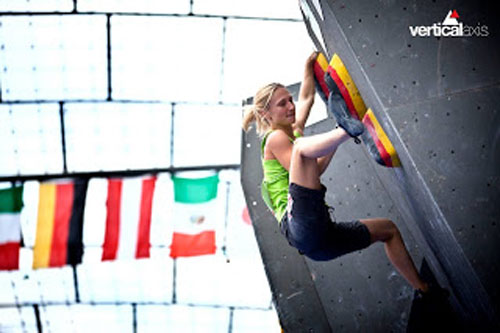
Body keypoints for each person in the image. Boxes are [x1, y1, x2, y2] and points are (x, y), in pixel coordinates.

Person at [242, 51, 432, 294]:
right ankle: (347, 128)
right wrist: (342, 133)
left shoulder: (294, 131)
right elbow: (309, 170)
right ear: (266, 114)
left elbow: (308, 97)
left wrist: (307, 67)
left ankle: (424, 290)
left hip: (319, 241)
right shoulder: (275, 139)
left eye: (289, 100)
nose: (291, 106)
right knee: (302, 149)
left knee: (388, 230)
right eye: (282, 104)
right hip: (299, 225)